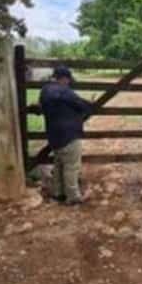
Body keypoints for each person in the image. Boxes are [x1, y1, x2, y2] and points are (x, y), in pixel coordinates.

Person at [39, 66, 93, 205]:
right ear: (64, 78)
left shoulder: (45, 91)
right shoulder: (65, 92)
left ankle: (58, 193)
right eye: (68, 80)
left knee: (58, 164)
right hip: (69, 134)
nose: (69, 83)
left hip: (53, 135)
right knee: (71, 166)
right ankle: (73, 196)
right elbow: (81, 105)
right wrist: (89, 104)